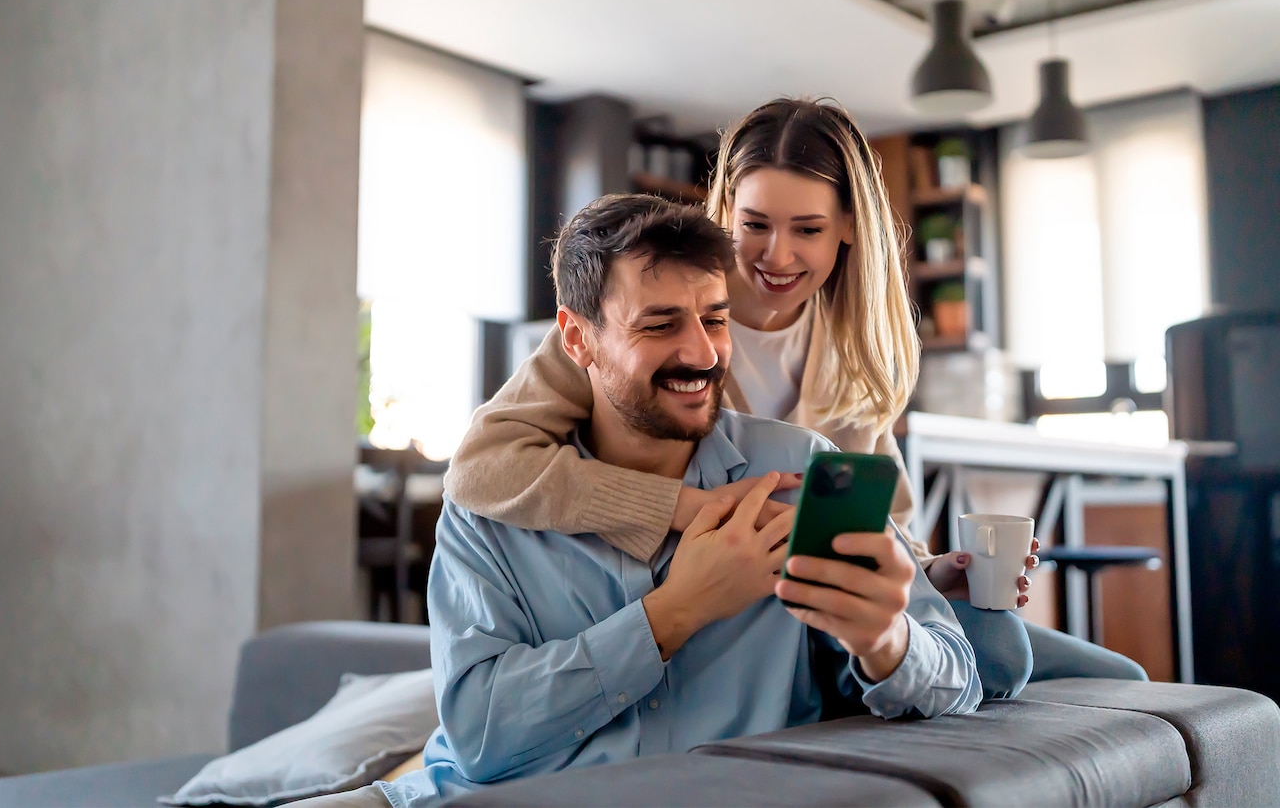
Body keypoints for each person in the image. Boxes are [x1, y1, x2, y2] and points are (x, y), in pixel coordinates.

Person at [444, 97, 1147, 695]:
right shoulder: (640, 334)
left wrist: (932, 573)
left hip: (810, 614)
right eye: (754, 224)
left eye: (807, 229)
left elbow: (884, 520)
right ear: (726, 212)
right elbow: (482, 467)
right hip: (710, 618)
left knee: (1103, 676)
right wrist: (687, 509)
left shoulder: (859, 351)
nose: (775, 256)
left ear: (847, 230)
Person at [324, 195, 978, 808]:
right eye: (660, 324)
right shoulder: (492, 509)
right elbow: (479, 735)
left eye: (716, 319)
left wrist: (886, 640)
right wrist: (673, 613)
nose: (702, 351)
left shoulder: (796, 470)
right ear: (577, 340)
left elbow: (957, 678)